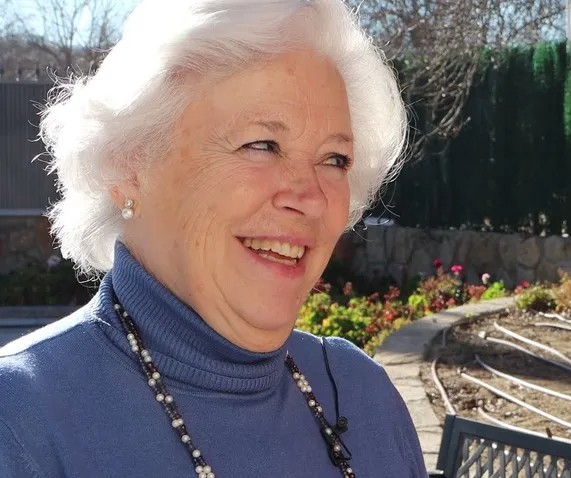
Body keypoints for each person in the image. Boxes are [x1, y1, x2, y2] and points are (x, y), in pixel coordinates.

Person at [0, 0, 429, 476]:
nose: (310, 197)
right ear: (128, 165)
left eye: (334, 159)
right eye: (261, 145)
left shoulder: (363, 395)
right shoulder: (20, 419)